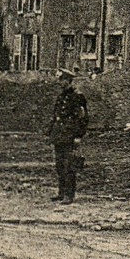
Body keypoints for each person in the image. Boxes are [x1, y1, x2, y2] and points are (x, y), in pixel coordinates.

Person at [45, 68, 89, 203]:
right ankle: (61, 192)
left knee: (69, 165)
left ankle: (69, 195)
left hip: (70, 135)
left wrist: (78, 136)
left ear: (68, 81)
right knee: (59, 165)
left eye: (62, 80)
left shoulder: (77, 97)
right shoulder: (61, 97)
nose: (60, 83)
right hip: (60, 135)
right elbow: (56, 116)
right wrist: (50, 131)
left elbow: (82, 118)